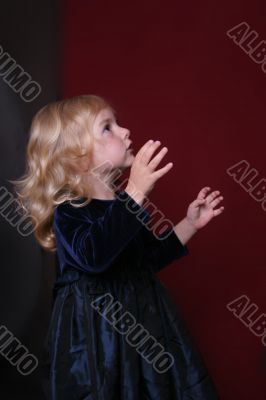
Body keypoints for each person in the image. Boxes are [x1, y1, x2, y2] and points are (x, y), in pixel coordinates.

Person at [12, 94, 224, 399]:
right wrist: (136, 192)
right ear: (76, 156)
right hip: (99, 344)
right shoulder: (70, 211)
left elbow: (146, 259)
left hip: (145, 332)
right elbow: (94, 256)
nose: (125, 132)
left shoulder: (123, 209)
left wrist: (189, 224)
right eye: (107, 127)